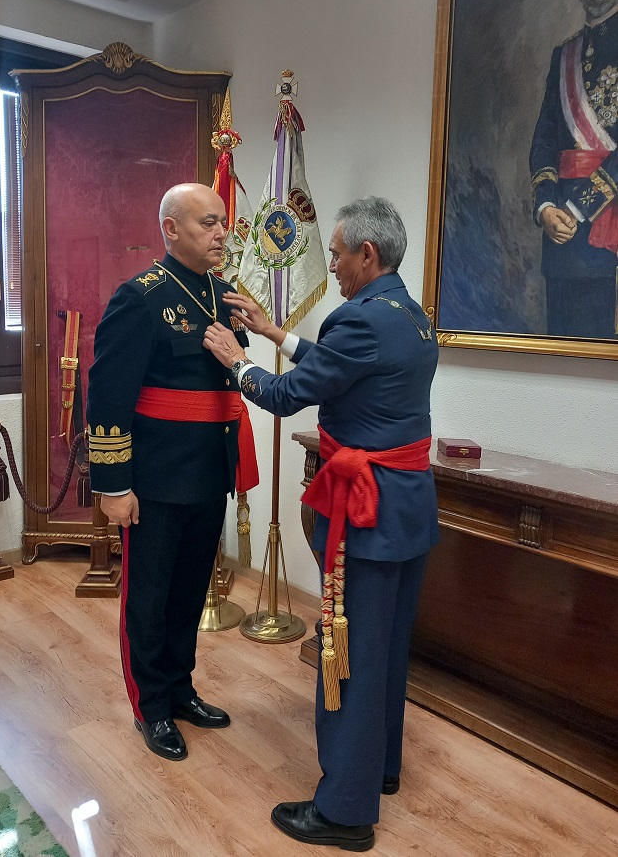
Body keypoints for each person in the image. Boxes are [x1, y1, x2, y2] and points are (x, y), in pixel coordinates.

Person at [203, 196, 439, 851]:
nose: (329, 263)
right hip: (409, 510)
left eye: (336, 252)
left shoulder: (357, 320)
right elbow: (345, 366)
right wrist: (278, 334)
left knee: (349, 654)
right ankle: (380, 770)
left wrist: (236, 356)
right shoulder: (409, 315)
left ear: (368, 253)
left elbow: (283, 397)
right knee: (384, 650)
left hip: (369, 512)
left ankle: (344, 810)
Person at [86, 183, 257, 762]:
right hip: (154, 481)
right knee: (150, 598)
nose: (220, 234)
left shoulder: (224, 295)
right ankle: (151, 705)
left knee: (189, 592)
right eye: (207, 223)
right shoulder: (139, 298)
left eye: (222, 223)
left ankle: (181, 688)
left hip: (209, 473)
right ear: (171, 229)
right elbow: (108, 397)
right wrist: (113, 485)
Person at [530, 0, 618, 339]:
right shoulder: (562, 55)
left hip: (607, 223)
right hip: (561, 238)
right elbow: (545, 140)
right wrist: (546, 207)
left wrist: (580, 207)